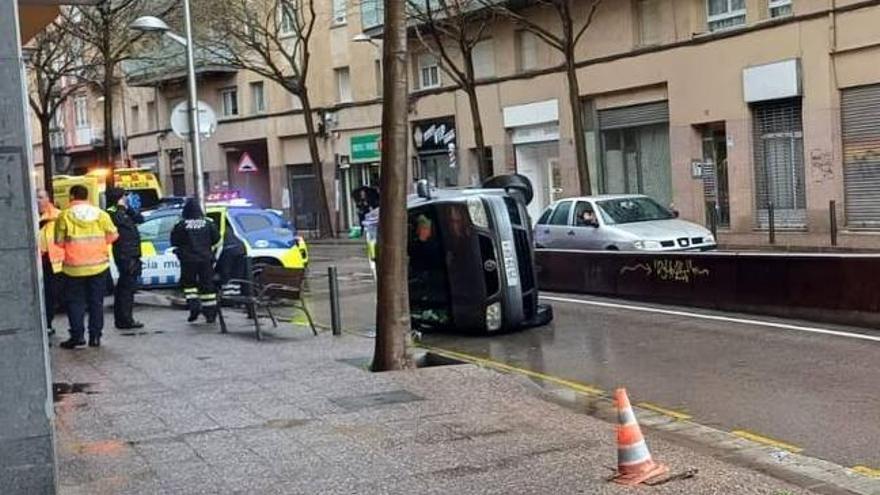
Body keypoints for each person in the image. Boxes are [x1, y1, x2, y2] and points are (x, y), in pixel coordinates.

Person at [55, 185, 118, 349]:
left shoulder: (65, 215)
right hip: (98, 266)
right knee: (96, 302)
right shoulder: (101, 214)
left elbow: (59, 242)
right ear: (87, 196)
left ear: (72, 196)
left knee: (75, 302)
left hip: (74, 267)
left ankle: (77, 337)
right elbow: (113, 235)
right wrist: (98, 245)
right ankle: (95, 337)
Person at [171, 198, 220, 323]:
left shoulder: (181, 225)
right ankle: (210, 314)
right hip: (205, 259)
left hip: (188, 260)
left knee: (189, 284)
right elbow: (217, 239)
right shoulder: (208, 223)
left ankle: (194, 306)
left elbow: (175, 241)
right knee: (207, 285)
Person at [106, 187, 144, 330]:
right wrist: (121, 207)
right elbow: (118, 223)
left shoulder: (125, 211)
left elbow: (140, 219)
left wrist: (129, 208)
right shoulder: (112, 212)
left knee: (127, 287)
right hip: (124, 254)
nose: (127, 198)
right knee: (126, 289)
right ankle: (125, 319)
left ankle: (125, 318)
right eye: (124, 196)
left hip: (132, 254)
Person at [37, 189, 64, 336]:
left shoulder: (57, 216)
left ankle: (47, 323)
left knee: (50, 295)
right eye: (36, 197)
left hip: (53, 263)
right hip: (38, 262)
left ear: (48, 199)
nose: (38, 200)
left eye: (41, 197)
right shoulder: (31, 216)